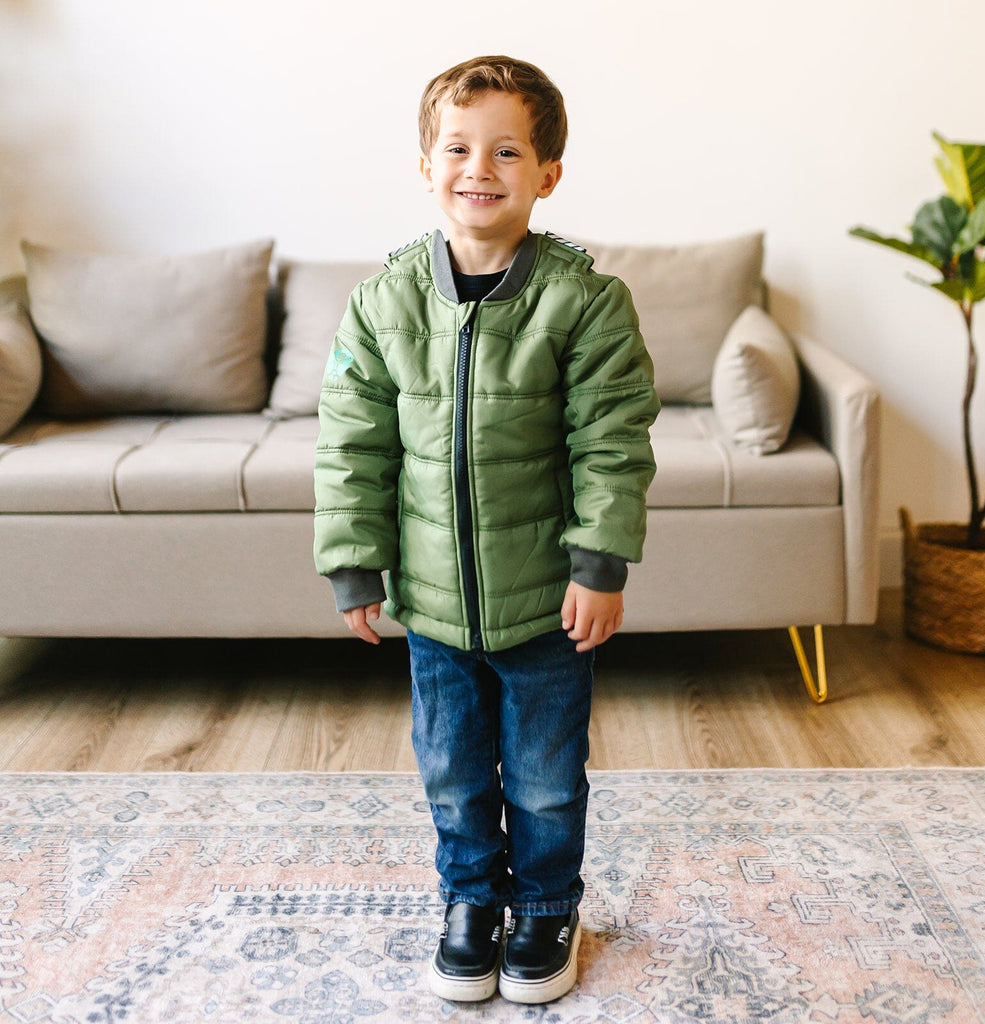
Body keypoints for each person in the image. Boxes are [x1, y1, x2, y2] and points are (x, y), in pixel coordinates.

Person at [313, 55, 659, 1005]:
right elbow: (351, 442)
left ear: (547, 173)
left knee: (545, 778)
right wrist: (355, 566)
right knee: (454, 772)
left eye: (508, 150)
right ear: (426, 164)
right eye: (458, 147)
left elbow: (612, 442)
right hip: (431, 604)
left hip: (548, 602)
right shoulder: (384, 301)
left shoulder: (585, 302)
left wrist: (599, 563)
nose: (481, 167)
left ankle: (546, 907)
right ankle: (471, 900)